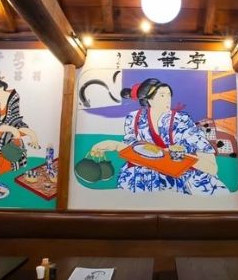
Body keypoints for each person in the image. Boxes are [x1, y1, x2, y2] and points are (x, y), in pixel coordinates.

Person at [89, 78, 227, 195]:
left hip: (180, 173)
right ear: (149, 99)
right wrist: (113, 145)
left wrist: (179, 155)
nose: (167, 99)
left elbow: (211, 166)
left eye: (169, 95)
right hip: (142, 173)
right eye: (162, 95)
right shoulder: (134, 118)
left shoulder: (181, 120)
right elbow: (132, 149)